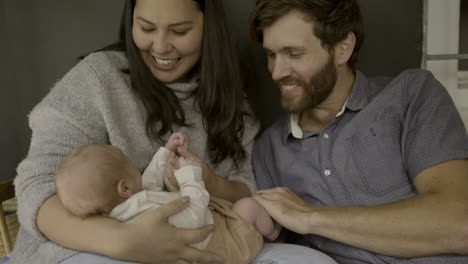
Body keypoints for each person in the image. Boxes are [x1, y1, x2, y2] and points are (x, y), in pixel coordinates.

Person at [10, 0, 339, 263]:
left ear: (206, 27)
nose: (161, 46)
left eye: (179, 30)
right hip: (85, 246)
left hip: (208, 244)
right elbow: (36, 188)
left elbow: (247, 190)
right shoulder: (97, 80)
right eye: (147, 28)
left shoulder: (227, 97)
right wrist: (123, 241)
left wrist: (210, 182)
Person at [249, 0, 468, 263]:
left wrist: (310, 217)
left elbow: (459, 224)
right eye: (271, 55)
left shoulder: (411, 96)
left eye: (293, 54)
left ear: (342, 48)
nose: (276, 72)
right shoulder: (269, 148)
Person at [54, 132, 278, 264]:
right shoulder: (149, 218)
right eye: (127, 161)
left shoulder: (127, 207)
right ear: (124, 188)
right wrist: (190, 175)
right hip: (219, 245)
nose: (134, 166)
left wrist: (165, 151)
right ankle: (273, 233)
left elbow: (148, 184)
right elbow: (195, 216)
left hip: (210, 230)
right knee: (247, 206)